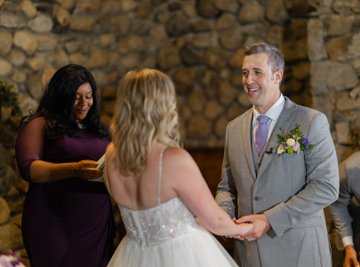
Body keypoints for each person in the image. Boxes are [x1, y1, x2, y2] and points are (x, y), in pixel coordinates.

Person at [104, 68, 254, 267]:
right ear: (164, 106)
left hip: (132, 255)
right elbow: (216, 220)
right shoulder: (173, 159)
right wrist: (245, 229)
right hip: (181, 255)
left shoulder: (111, 154)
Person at [215, 41, 340, 267]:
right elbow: (227, 187)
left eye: (257, 73)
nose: (248, 80)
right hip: (249, 254)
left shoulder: (311, 121)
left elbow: (326, 187)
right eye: (245, 73)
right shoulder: (233, 128)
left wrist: (269, 220)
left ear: (277, 76)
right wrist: (225, 217)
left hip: (299, 252)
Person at [15, 64, 115, 267]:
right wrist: (73, 169)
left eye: (88, 96)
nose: (83, 103)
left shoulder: (100, 128)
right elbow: (29, 168)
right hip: (54, 221)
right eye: (76, 96)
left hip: (96, 222)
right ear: (61, 95)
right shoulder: (39, 124)